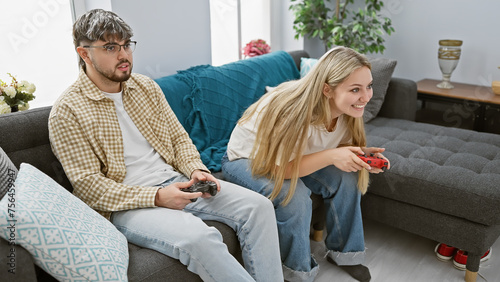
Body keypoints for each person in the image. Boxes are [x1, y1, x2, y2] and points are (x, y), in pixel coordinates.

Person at [48, 9, 283, 282]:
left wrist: (196, 169)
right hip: (126, 204)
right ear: (85, 54)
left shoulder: (145, 87)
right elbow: (90, 187)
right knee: (199, 237)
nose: (123, 55)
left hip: (176, 179)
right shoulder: (67, 111)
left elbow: (179, 139)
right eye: (110, 47)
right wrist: (158, 197)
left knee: (259, 207)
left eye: (126, 45)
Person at [221, 46, 390, 282]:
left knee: (348, 176)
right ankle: (297, 272)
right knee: (294, 195)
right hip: (247, 158)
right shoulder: (291, 110)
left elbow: (331, 146)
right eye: (355, 89)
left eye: (368, 86)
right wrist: (333, 156)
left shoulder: (348, 111)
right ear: (327, 90)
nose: (366, 97)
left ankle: (346, 254)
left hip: (293, 157)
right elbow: (281, 170)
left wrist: (359, 155)